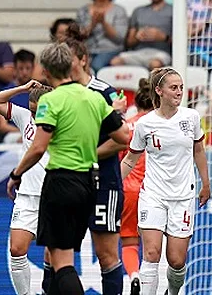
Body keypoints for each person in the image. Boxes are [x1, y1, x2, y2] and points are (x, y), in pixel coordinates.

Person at [6, 42, 129, 295]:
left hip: (60, 182)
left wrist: (16, 174)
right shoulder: (94, 98)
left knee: (61, 261)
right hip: (89, 185)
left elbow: (39, 148)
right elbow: (123, 137)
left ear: (48, 72)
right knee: (72, 259)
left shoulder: (50, 101)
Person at [121, 67, 211, 295]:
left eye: (181, 87)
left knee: (177, 260)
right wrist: (110, 184)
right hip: (153, 195)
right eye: (173, 87)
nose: (179, 92)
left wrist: (206, 184)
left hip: (182, 197)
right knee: (151, 254)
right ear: (159, 91)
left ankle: (172, 291)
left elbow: (198, 150)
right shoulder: (145, 124)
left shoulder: (191, 117)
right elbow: (131, 160)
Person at [65, 27, 128, 295]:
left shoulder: (106, 92)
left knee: (106, 255)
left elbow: (121, 140)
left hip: (103, 183)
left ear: (82, 60)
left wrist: (83, 153)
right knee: (55, 254)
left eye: (67, 59)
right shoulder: (59, 93)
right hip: (69, 182)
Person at [0, 80, 52, 295]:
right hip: (26, 196)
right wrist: (22, 89)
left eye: (38, 111)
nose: (34, 116)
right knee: (17, 249)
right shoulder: (24, 117)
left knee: (53, 254)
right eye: (32, 110)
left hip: (53, 195)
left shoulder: (61, 122)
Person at [118, 78, 154, 295]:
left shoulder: (127, 125)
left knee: (130, 242)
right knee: (157, 245)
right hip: (157, 191)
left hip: (129, 189)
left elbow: (121, 159)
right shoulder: (164, 123)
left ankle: (134, 276)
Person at [77, 0, 128, 72]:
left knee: (96, 65)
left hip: (111, 50)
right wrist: (93, 24)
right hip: (87, 50)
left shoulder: (119, 10)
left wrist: (104, 23)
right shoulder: (83, 11)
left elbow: (120, 38)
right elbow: (79, 36)